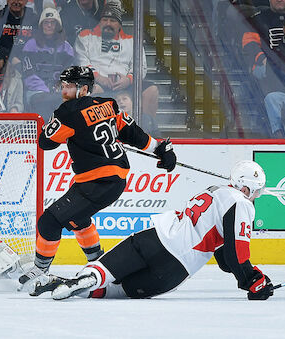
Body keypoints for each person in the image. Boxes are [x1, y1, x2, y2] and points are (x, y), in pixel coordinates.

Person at [17, 66, 177, 291]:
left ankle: (40, 271)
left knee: (49, 222)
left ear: (83, 89)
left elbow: (46, 143)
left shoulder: (67, 112)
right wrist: (160, 149)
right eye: (62, 86)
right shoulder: (108, 104)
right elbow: (132, 133)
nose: (64, 91)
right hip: (112, 179)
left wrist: (56, 125)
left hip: (97, 181)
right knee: (78, 220)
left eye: (69, 86)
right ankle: (100, 265)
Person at [47, 160, 274, 302]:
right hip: (175, 268)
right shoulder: (241, 203)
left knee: (103, 270)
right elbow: (236, 255)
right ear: (246, 188)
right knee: (117, 292)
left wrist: (250, 276)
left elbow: (226, 259)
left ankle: (84, 279)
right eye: (256, 192)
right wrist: (253, 280)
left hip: (155, 238)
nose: (255, 197)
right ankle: (91, 289)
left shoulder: (215, 191)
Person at [74, 4, 160, 136]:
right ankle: (91, 135)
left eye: (113, 21)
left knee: (151, 90)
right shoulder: (86, 36)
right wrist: (99, 78)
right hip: (98, 83)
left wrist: (128, 79)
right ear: (100, 21)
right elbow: (81, 62)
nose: (108, 23)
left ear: (119, 24)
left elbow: (141, 67)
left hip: (126, 84)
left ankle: (146, 134)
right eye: (105, 20)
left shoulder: (132, 40)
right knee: (90, 90)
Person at [21, 6, 74, 121]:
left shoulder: (67, 48)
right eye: (46, 23)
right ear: (41, 26)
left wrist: (58, 88)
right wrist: (45, 89)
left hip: (59, 91)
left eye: (52, 23)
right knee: (44, 102)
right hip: (36, 91)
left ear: (57, 26)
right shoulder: (31, 45)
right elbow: (28, 74)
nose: (49, 25)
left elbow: (69, 74)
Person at [260, 11, 285, 138]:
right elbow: (272, 79)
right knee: (271, 98)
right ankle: (279, 136)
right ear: (284, 29)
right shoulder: (276, 53)